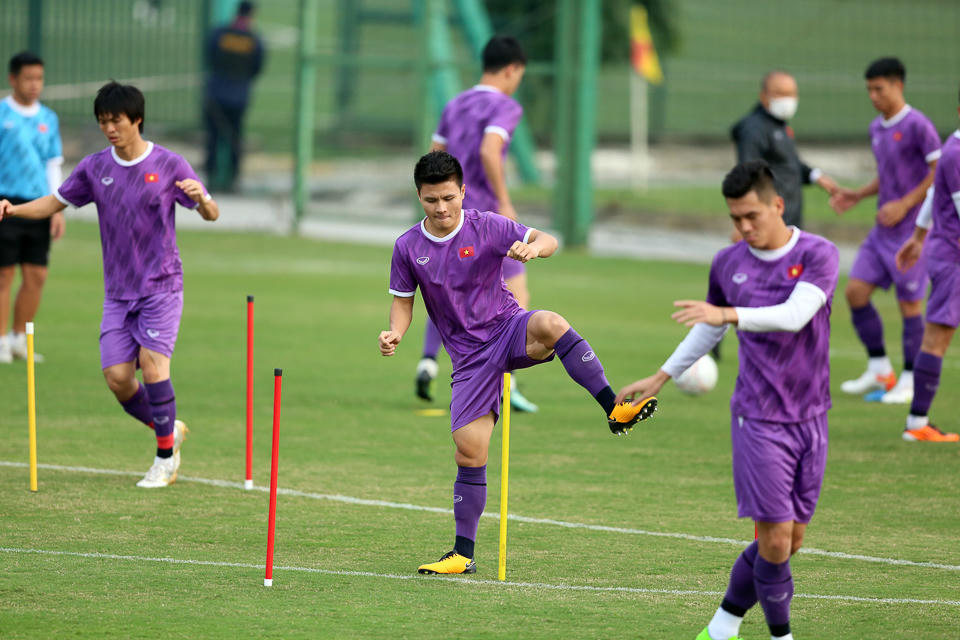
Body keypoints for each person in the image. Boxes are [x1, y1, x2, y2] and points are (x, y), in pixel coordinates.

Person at [380, 151, 657, 575]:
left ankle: (615, 409)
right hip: (469, 359)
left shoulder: (487, 225)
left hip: (509, 329)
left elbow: (549, 239)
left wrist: (533, 250)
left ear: (463, 192)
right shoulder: (407, 247)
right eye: (431, 200)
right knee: (469, 452)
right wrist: (396, 332)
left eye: (449, 198)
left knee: (550, 322)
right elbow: (403, 303)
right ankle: (462, 555)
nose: (441, 208)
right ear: (419, 196)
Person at [617, 161, 838, 640]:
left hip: (813, 415)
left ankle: (721, 626)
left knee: (790, 540)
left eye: (752, 216)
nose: (743, 228)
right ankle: (781, 636)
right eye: (735, 218)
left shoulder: (820, 254)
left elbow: (794, 315)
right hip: (758, 417)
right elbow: (711, 326)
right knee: (775, 538)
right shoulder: (728, 263)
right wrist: (661, 375)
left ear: (778, 205)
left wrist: (725, 312)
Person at [0, 82, 220, 487]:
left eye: (116, 120)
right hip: (118, 291)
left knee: (154, 368)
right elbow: (55, 201)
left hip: (161, 286)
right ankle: (170, 427)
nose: (109, 129)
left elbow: (211, 212)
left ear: (137, 119)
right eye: (103, 122)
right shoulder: (95, 167)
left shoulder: (170, 164)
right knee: (118, 379)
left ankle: (165, 458)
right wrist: (12, 209)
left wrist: (203, 200)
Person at [415, 36, 539, 412]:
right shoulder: (505, 105)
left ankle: (427, 360)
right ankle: (505, 381)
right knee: (518, 298)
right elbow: (489, 150)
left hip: (449, 217)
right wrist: (504, 202)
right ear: (512, 69)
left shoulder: (455, 103)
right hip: (484, 219)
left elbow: (435, 154)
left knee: (452, 295)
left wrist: (436, 202)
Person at [831, 57, 941, 405]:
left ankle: (908, 378)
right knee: (855, 293)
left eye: (879, 89)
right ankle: (879, 368)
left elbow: (939, 173)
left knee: (910, 306)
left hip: (911, 232)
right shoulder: (876, 128)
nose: (873, 96)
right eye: (869, 90)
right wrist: (859, 194)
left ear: (898, 86)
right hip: (881, 231)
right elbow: (889, 175)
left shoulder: (918, 125)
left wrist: (906, 205)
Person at [892, 87, 960, 443]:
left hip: (942, 250)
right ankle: (917, 423)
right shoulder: (958, 153)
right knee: (937, 338)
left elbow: (935, 194)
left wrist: (917, 236)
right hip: (953, 258)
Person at [0, 51, 64, 364]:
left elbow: (53, 164)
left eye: (39, 78)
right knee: (4, 275)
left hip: (39, 206)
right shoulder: (1, 114)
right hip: (5, 203)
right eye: (28, 78)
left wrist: (58, 208)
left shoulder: (48, 119)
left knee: (36, 275)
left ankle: (17, 338)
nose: (34, 84)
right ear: (13, 79)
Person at [731, 69, 839, 230]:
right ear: (764, 96)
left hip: (789, 219)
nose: (787, 100)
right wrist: (746, 221)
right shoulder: (754, 129)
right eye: (780, 93)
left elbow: (787, 163)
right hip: (769, 224)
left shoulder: (778, 124)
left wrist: (815, 176)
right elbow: (747, 175)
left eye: (791, 94)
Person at [203, 0, 265, 191]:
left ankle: (212, 178)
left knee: (213, 138)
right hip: (239, 96)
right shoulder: (254, 40)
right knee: (235, 138)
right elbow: (257, 67)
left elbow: (209, 57)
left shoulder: (220, 34)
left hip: (216, 93)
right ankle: (233, 180)